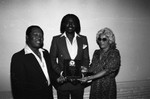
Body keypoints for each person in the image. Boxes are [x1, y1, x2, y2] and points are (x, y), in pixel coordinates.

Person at [50, 14, 90, 99]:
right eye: (67, 22)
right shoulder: (56, 40)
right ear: (63, 24)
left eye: (73, 22)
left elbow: (86, 59)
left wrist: (81, 74)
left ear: (77, 25)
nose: (70, 25)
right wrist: (62, 73)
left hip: (78, 83)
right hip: (63, 82)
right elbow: (52, 60)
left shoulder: (83, 39)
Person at [10, 25, 54, 99]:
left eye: (41, 35)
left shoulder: (45, 53)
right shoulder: (18, 58)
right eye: (35, 35)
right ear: (27, 37)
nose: (39, 38)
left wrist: (60, 79)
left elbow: (49, 75)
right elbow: (18, 89)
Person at [79, 27, 121, 99]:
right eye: (99, 39)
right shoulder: (96, 52)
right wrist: (86, 69)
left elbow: (107, 70)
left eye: (104, 39)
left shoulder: (114, 53)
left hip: (108, 86)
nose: (101, 41)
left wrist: (89, 77)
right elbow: (93, 67)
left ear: (110, 40)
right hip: (95, 85)